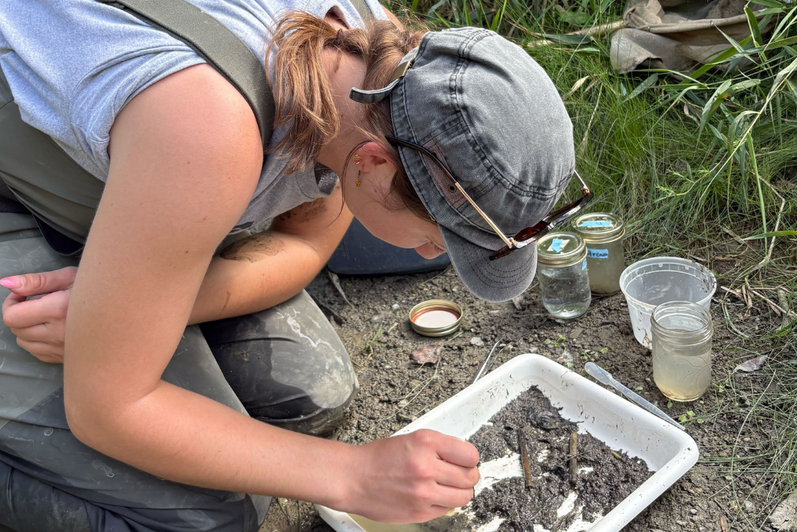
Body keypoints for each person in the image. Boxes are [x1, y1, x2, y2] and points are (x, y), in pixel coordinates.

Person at [0, 0, 580, 530]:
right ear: (373, 166)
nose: (433, 256)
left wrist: (143, 308)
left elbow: (304, 247)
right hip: (27, 197)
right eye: (436, 240)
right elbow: (108, 410)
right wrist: (352, 476)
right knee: (213, 516)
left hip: (155, 196)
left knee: (310, 394)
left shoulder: (375, 68)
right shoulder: (208, 130)